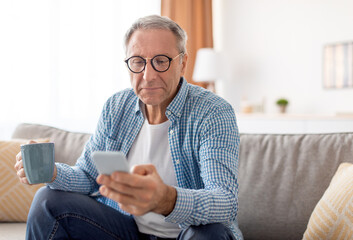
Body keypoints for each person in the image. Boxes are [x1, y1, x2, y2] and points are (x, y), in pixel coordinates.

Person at [15, 15, 243, 240]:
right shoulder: (116, 106)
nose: (148, 75)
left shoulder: (213, 112)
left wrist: (166, 199)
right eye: (138, 61)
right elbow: (87, 176)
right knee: (47, 200)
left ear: (182, 63)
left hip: (188, 233)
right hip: (126, 230)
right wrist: (52, 172)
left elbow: (225, 201)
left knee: (209, 233)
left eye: (161, 61)